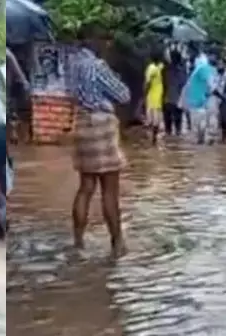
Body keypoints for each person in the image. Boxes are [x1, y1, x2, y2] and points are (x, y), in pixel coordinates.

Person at [67, 34, 130, 257]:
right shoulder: (97, 66)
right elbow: (123, 95)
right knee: (110, 190)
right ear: (99, 44)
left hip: (81, 122)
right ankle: (117, 244)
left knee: (85, 187)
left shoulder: (72, 65)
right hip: (101, 123)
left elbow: (71, 94)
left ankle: (77, 242)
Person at [182, 54, 217, 145]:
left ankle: (201, 142)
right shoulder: (203, 70)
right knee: (201, 128)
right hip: (199, 104)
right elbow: (211, 87)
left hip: (196, 104)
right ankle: (204, 142)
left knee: (198, 130)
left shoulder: (194, 73)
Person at [162, 50, 187, 137]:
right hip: (177, 100)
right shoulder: (182, 71)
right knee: (178, 127)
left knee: (167, 128)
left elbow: (163, 84)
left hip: (167, 99)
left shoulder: (165, 70)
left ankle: (169, 138)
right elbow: (184, 85)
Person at [144, 50, 165, 144]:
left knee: (152, 117)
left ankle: (153, 139)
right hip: (160, 93)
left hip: (152, 94)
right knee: (157, 116)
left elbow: (148, 83)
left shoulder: (151, 68)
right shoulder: (161, 67)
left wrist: (144, 92)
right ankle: (155, 137)